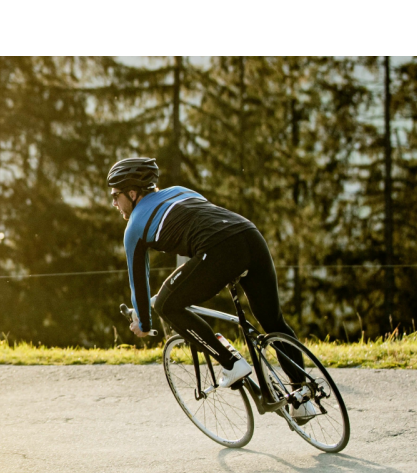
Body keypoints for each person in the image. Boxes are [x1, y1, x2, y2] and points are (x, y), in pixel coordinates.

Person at [108, 156, 305, 390]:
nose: (114, 203)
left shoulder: (133, 228)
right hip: (250, 234)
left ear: (132, 194)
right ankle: (302, 393)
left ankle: (230, 363)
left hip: (218, 248)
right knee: (273, 321)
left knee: (166, 304)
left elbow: (138, 282)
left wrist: (143, 321)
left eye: (115, 195)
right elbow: (204, 221)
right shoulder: (181, 191)